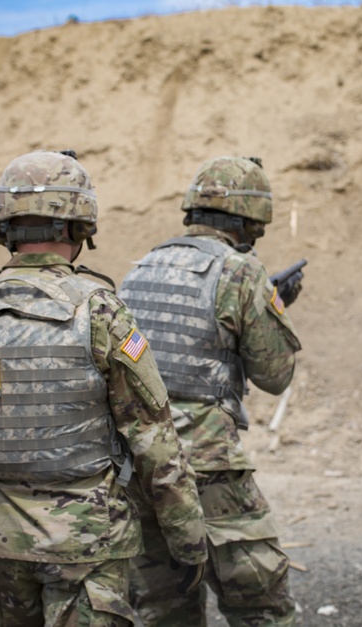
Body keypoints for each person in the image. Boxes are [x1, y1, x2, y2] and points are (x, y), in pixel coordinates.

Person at [0, 150, 208, 626]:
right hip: (86, 544)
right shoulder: (99, 311)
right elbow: (153, 437)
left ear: (2, 227)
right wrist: (187, 538)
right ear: (79, 227)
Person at [118, 156, 303, 626]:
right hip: (207, 466)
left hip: (140, 463)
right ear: (247, 221)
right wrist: (274, 306)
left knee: (165, 607)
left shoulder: (139, 269)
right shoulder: (240, 271)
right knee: (259, 600)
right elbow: (275, 375)